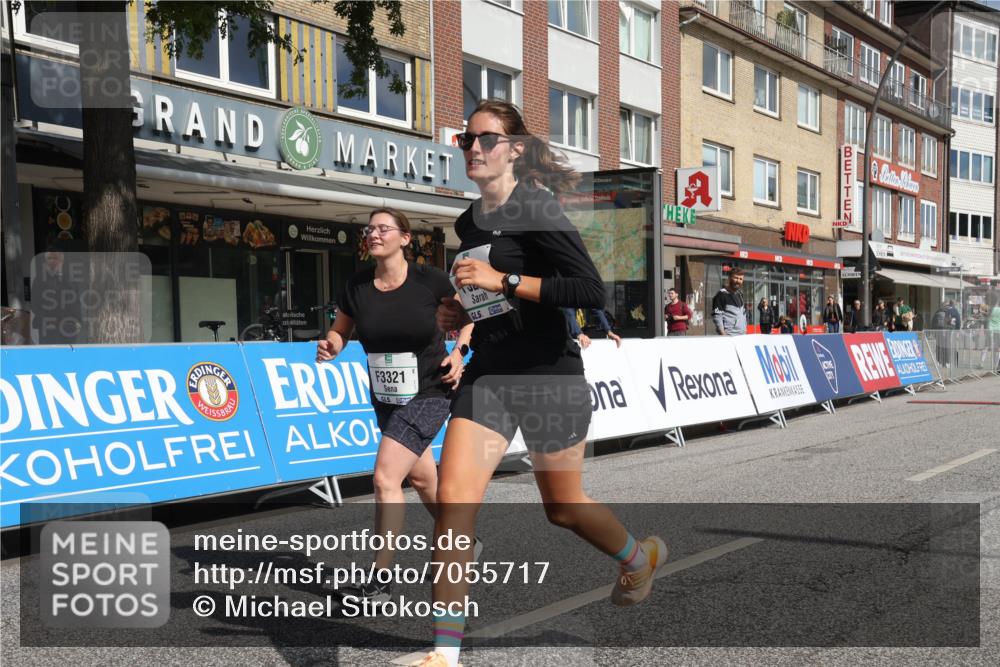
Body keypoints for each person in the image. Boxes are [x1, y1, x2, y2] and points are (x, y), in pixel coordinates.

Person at [423, 100, 669, 667]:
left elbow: (589, 292)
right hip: (490, 373)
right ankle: (443, 653)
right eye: (467, 139)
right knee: (455, 504)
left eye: (487, 138)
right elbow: (485, 300)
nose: (474, 148)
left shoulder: (537, 208)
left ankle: (637, 558)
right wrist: (461, 312)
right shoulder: (468, 220)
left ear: (514, 149)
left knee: (562, 508)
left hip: (548, 375)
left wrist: (503, 279)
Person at [315, 208, 476, 602]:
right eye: (369, 229)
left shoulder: (429, 280)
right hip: (387, 396)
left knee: (386, 478)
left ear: (405, 238)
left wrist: (459, 353)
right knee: (421, 479)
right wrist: (331, 345)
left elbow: (471, 316)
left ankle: (381, 580)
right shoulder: (357, 285)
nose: (373, 234)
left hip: (431, 390)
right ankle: (464, 544)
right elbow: (341, 330)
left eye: (383, 228)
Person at [712, 267, 747, 335]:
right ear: (729, 278)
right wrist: (723, 335)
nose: (738, 281)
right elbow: (717, 316)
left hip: (742, 335)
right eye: (736, 278)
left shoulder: (739, 294)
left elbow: (743, 314)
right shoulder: (721, 294)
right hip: (729, 336)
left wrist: (745, 330)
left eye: (740, 279)